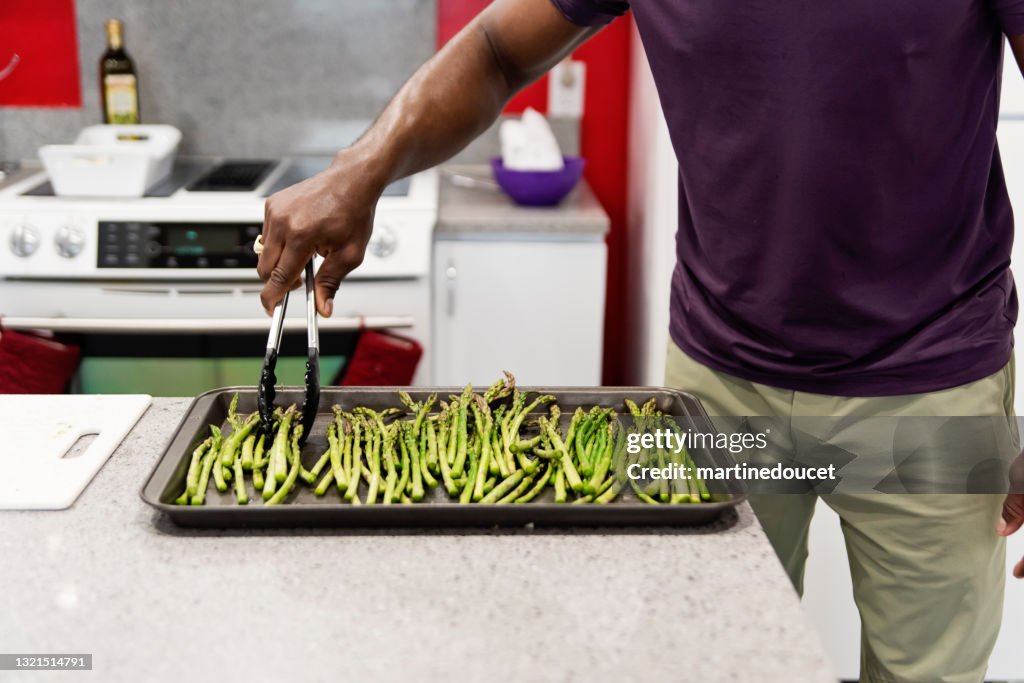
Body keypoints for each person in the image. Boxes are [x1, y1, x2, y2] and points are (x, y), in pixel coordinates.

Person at [256, 1, 1024, 679]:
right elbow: (497, 45)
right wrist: (361, 168)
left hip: (933, 385)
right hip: (720, 386)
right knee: (714, 657)